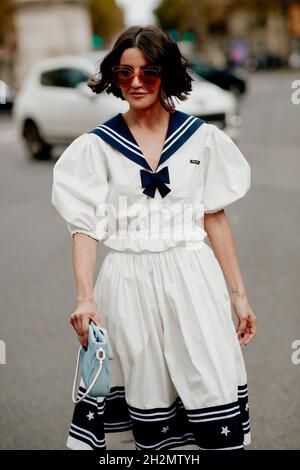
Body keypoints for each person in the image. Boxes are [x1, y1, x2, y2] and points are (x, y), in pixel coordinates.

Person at [51, 25, 256, 451]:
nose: (136, 82)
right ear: (113, 76)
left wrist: (239, 296)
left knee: (208, 380)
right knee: (146, 396)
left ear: (168, 74)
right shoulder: (96, 147)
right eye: (124, 73)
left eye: (149, 71)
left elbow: (214, 217)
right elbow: (85, 227)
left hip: (193, 277)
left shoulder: (201, 138)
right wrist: (85, 297)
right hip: (127, 281)